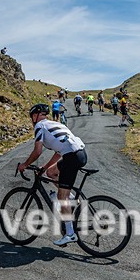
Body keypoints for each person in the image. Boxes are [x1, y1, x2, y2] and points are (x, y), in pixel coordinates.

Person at [18, 103, 87, 246]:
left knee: (62, 196)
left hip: (72, 157)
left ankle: (70, 233)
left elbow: (37, 151)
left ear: (35, 116)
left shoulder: (40, 126)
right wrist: (45, 167)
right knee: (51, 172)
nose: (32, 120)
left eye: (32, 117)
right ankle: (73, 200)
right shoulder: (54, 124)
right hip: (78, 154)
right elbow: (58, 151)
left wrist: (24, 164)